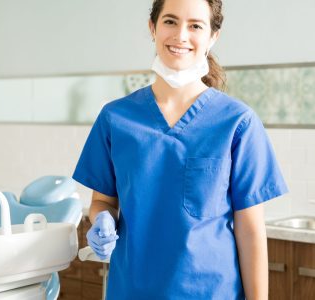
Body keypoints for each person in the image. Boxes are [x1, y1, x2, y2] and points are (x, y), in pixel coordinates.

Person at [72, 0, 288, 298]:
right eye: (170, 22)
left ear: (213, 36)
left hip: (210, 291)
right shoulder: (115, 118)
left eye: (195, 26)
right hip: (132, 290)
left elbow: (250, 231)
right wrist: (101, 219)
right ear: (153, 27)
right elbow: (102, 202)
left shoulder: (237, 122)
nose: (181, 35)